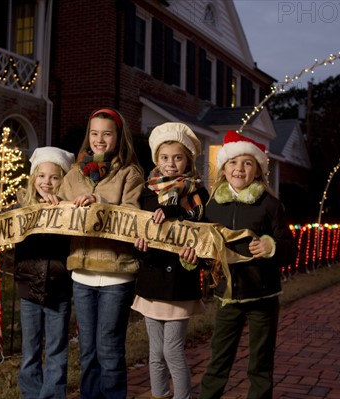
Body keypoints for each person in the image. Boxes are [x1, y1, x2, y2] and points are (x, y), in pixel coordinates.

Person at [198, 130, 298, 399]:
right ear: (224, 168)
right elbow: (203, 250)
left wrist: (271, 246)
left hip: (263, 296)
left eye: (247, 163)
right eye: (233, 162)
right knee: (219, 360)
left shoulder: (271, 206)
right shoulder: (211, 206)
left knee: (261, 364)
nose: (239, 168)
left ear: (258, 170)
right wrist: (193, 259)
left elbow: (290, 249)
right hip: (226, 296)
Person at [58, 108, 144, 399]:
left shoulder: (129, 174)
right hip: (81, 272)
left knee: (108, 348)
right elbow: (55, 211)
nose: (99, 139)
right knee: (87, 349)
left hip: (115, 274)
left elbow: (133, 215)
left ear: (118, 137)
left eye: (107, 134)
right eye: (94, 133)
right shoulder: (72, 175)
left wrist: (99, 201)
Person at [0, 146, 75, 399]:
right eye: (42, 176)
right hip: (29, 287)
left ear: (62, 181)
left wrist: (61, 210)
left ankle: (52, 395)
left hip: (59, 288)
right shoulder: (22, 206)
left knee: (56, 348)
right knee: (30, 348)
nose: (47, 182)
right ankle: (31, 394)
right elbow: (1, 220)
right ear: (34, 178)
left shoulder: (68, 211)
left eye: (54, 177)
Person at [131, 122, 209, 399]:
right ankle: (159, 393)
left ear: (188, 159)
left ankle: (183, 396)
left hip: (179, 283)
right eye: (165, 158)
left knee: (172, 349)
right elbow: (140, 232)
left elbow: (204, 235)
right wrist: (139, 246)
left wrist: (195, 256)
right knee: (155, 352)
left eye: (178, 157)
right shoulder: (146, 193)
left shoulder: (198, 195)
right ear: (156, 159)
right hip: (152, 281)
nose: (171, 164)